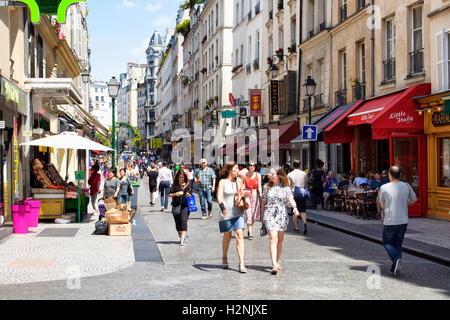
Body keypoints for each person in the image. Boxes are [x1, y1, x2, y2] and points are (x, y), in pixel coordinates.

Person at [379, 166, 417, 276]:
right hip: (403, 220)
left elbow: (382, 205)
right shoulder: (406, 186)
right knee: (398, 244)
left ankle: (396, 260)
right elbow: (414, 199)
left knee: (387, 242)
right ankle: (395, 267)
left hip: (390, 220)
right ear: (400, 175)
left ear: (390, 175)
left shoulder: (384, 187)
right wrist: (405, 204)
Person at [262, 168, 300, 275]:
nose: (269, 175)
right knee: (272, 238)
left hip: (281, 214)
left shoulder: (285, 188)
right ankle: (274, 264)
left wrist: (295, 208)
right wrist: (261, 217)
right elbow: (263, 202)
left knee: (280, 240)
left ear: (278, 176)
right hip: (269, 213)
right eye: (269, 173)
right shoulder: (266, 187)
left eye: (272, 173)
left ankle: (276, 261)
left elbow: (291, 199)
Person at [216, 162, 247, 273]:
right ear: (229, 170)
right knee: (227, 236)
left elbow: (242, 194)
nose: (237, 171)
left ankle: (241, 263)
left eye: (237, 169)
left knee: (239, 235)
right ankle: (224, 257)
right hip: (226, 213)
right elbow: (219, 197)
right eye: (235, 169)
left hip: (238, 212)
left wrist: (245, 196)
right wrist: (222, 207)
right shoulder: (222, 182)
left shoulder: (239, 181)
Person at [168, 170, 192, 246]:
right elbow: (169, 194)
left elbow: (190, 194)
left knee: (184, 220)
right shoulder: (174, 185)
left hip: (185, 205)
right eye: (180, 177)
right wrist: (175, 194)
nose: (181, 178)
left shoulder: (187, 185)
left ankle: (183, 239)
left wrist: (188, 194)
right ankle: (181, 235)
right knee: (178, 223)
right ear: (177, 177)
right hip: (175, 205)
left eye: (183, 177)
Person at [287, 160, 309, 234]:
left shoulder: (290, 174)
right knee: (303, 210)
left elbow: (288, 185)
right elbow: (306, 184)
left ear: (293, 165)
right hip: (302, 193)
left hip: (294, 194)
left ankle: (296, 227)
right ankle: (305, 224)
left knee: (294, 211)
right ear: (299, 165)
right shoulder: (304, 174)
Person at [243, 162, 262, 240]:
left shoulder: (258, 175)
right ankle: (250, 232)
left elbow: (259, 186)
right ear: (248, 166)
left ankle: (249, 227)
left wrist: (260, 194)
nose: (252, 166)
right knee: (248, 212)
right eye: (251, 165)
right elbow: (242, 185)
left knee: (254, 213)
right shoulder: (244, 175)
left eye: (254, 165)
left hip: (255, 194)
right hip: (247, 193)